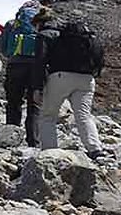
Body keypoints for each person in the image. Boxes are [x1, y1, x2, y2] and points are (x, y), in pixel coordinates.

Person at [34, 14, 107, 158]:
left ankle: (50, 151)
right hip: (87, 79)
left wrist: (38, 86)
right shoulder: (87, 40)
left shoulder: (52, 37)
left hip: (60, 76)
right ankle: (95, 149)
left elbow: (40, 62)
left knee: (48, 116)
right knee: (84, 115)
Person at [1, 1, 42, 147]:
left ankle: (11, 137)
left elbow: (3, 47)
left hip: (15, 65)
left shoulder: (12, 24)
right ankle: (33, 140)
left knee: (13, 101)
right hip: (36, 67)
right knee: (34, 104)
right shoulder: (41, 24)